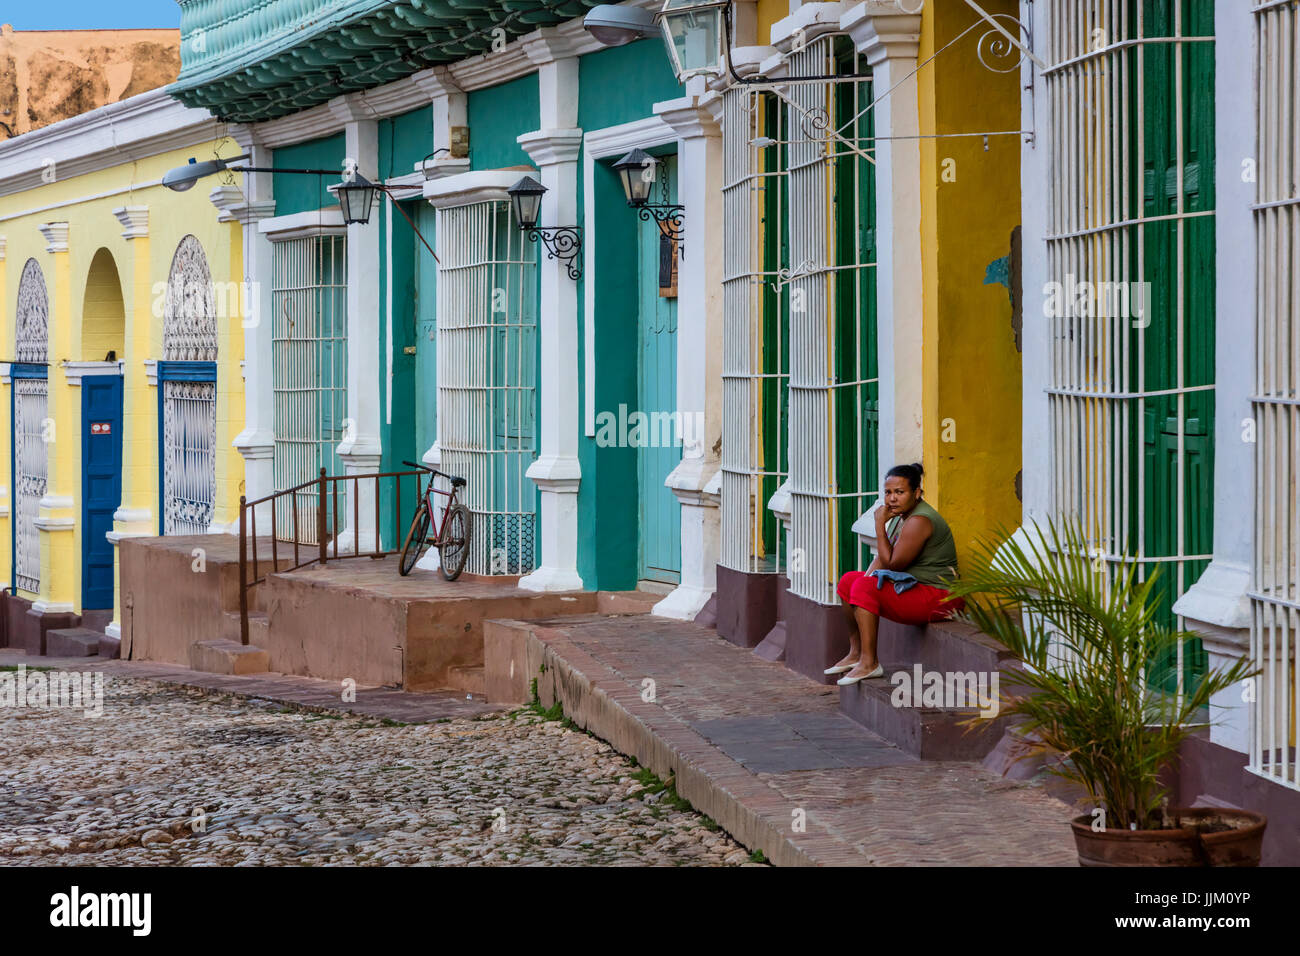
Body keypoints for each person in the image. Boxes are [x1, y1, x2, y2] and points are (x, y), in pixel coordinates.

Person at [827, 462, 963, 685]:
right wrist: (863, 581)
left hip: (941, 597)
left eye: (900, 492)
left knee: (862, 586)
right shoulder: (901, 517)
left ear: (916, 493)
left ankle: (870, 663)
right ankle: (856, 652)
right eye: (888, 492)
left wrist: (879, 525)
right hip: (916, 589)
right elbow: (883, 557)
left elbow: (894, 564)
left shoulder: (919, 520)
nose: (892, 499)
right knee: (849, 581)